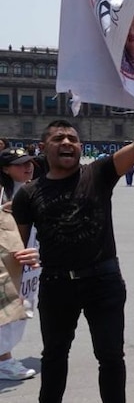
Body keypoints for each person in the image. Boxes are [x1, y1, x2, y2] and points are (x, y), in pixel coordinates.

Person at [12, 104, 134, 403]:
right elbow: (17, 245)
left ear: (80, 147)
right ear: (43, 147)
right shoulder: (28, 193)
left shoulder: (99, 173)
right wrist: (21, 257)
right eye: (58, 138)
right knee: (54, 356)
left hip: (103, 282)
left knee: (111, 356)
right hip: (56, 284)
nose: (67, 143)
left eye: (73, 139)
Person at [0, 147, 40, 382]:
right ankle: (4, 360)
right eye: (20, 164)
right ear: (5, 169)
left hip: (31, 260)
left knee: (23, 308)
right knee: (7, 309)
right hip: (8, 263)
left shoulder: (33, 190)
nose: (28, 167)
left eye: (29, 162)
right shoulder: (4, 195)